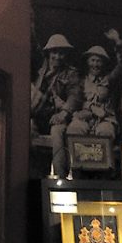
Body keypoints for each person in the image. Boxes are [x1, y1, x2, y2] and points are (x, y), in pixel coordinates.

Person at [30, 34, 81, 175]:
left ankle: (60, 176)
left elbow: (75, 96)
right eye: (54, 52)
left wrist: (64, 113)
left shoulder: (70, 74)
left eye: (61, 53)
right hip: (38, 116)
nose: (57, 56)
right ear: (49, 53)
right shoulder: (40, 71)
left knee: (57, 133)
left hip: (57, 117)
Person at [68, 30, 122, 139]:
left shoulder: (109, 79)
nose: (95, 64)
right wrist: (89, 107)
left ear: (104, 63)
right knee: (74, 129)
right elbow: (75, 100)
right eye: (93, 60)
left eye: (99, 61)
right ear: (87, 62)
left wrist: (117, 41)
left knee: (106, 132)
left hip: (105, 119)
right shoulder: (81, 81)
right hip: (84, 118)